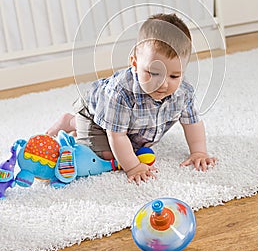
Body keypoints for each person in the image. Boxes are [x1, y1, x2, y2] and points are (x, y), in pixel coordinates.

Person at [46, 13, 217, 184]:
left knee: (133, 147)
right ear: (135, 63)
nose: (163, 84)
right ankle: (72, 122)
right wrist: (133, 167)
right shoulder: (120, 93)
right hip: (94, 117)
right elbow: (117, 136)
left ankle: (76, 124)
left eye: (174, 76)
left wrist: (199, 151)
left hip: (132, 127)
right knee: (108, 156)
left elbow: (192, 123)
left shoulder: (183, 92)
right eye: (154, 73)